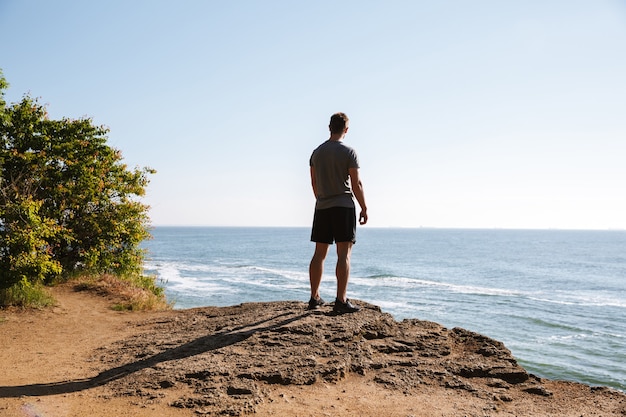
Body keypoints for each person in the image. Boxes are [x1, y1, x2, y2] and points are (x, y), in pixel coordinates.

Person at [308, 112, 368, 314]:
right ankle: (340, 300)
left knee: (319, 254)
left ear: (329, 127)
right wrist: (364, 207)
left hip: (322, 207)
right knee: (344, 254)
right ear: (346, 129)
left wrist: (321, 199)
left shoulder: (316, 153)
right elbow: (356, 183)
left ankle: (314, 297)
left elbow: (314, 183)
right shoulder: (349, 152)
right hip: (343, 206)